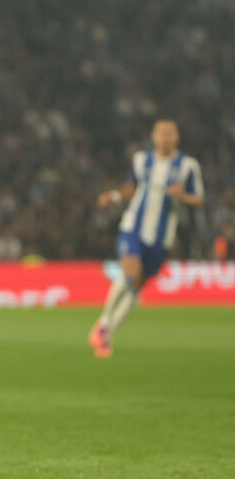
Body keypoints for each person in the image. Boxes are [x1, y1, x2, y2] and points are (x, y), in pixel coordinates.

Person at [90, 119, 204, 358]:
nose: (165, 138)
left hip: (162, 238)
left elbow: (198, 199)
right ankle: (103, 323)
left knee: (137, 287)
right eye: (161, 133)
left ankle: (107, 332)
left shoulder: (188, 166)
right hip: (133, 227)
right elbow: (131, 187)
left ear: (176, 138)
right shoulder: (141, 160)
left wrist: (183, 195)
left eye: (169, 134)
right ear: (154, 137)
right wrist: (114, 196)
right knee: (130, 273)